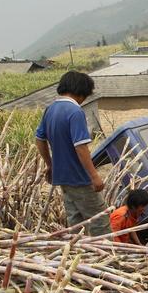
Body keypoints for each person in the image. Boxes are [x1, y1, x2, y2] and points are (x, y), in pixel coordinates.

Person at [35, 71, 111, 236]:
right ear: (82, 92)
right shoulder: (75, 112)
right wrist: (94, 175)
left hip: (63, 177)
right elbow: (80, 147)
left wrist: (50, 164)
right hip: (79, 177)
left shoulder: (50, 109)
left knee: (75, 220)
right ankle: (107, 256)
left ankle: (76, 254)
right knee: (100, 221)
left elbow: (39, 139)